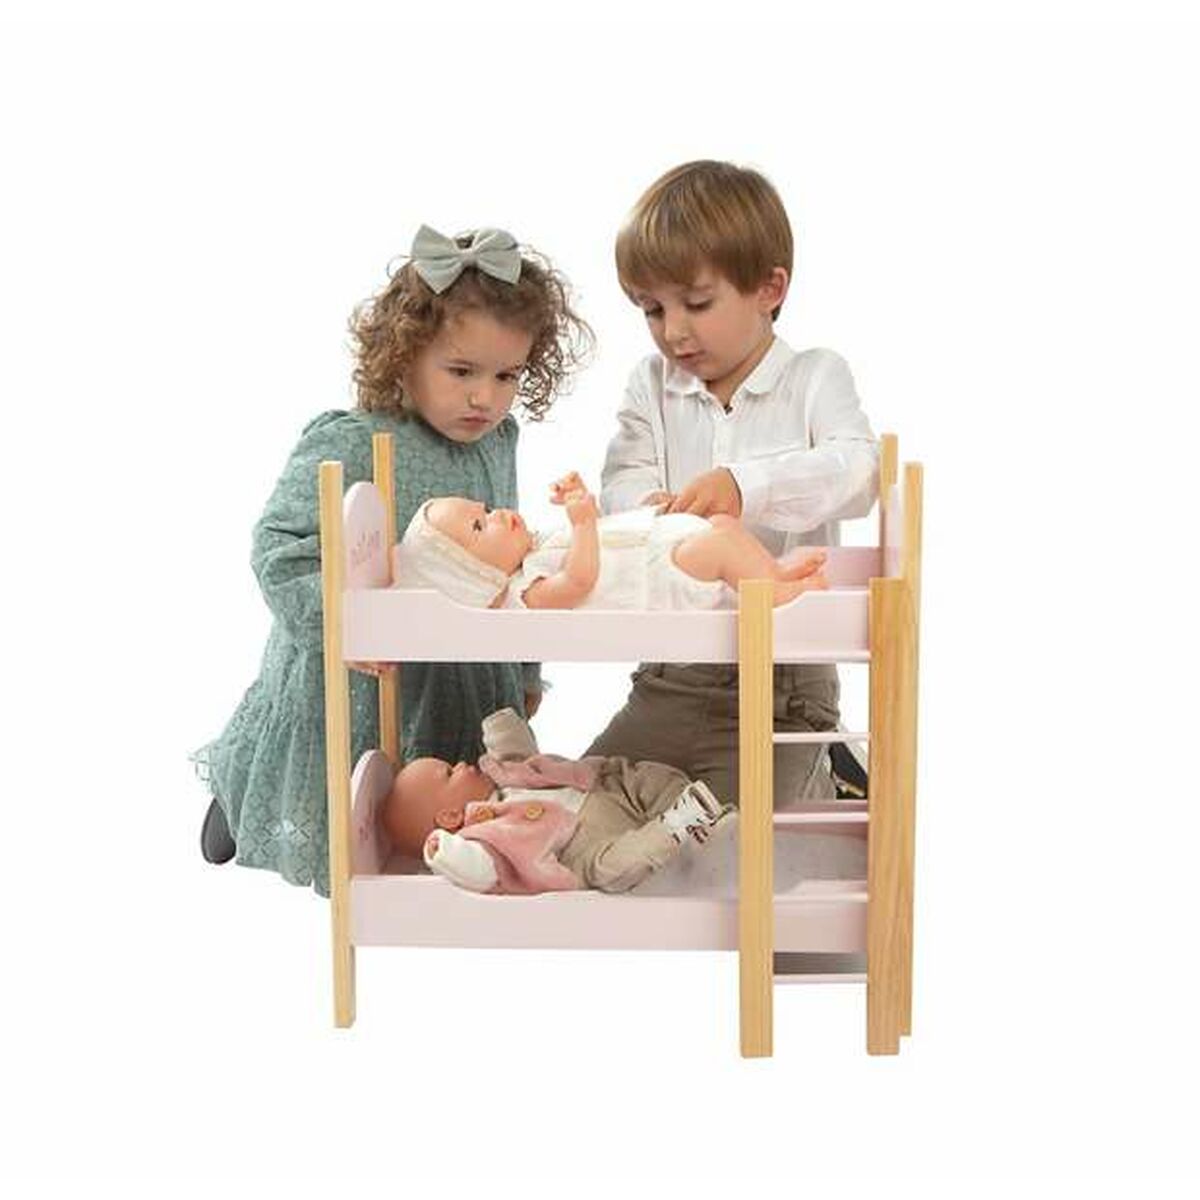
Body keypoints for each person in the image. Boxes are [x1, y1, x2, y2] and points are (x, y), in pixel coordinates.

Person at [193, 226, 591, 894]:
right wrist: (345, 625)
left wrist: (526, 667)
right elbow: (281, 548)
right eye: (461, 371)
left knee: (444, 794)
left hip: (458, 665)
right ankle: (248, 798)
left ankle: (448, 854)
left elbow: (512, 565)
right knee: (346, 776)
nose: (485, 398)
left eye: (506, 376)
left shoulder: (497, 441)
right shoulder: (352, 439)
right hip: (357, 672)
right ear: (405, 356)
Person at [584, 160, 880, 810]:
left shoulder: (815, 377)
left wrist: (747, 487)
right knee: (583, 808)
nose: (673, 331)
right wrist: (651, 513)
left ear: (769, 288)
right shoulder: (651, 386)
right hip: (669, 676)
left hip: (783, 685)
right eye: (652, 309)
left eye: (696, 303)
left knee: (739, 838)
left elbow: (859, 471)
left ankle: (830, 771)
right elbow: (622, 480)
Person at [383, 708, 733, 894]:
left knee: (640, 776)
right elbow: (479, 870)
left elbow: (522, 758)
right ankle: (676, 825)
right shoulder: (485, 838)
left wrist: (500, 724)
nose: (459, 764)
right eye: (449, 773)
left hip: (607, 794)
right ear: (448, 817)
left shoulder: (504, 780)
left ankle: (702, 816)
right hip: (584, 847)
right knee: (610, 870)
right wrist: (444, 852)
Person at [396, 470, 829, 609]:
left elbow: (603, 540)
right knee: (720, 547)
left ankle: (771, 573)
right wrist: (583, 523)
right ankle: (776, 597)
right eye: (480, 526)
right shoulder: (525, 593)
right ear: (474, 575)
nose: (497, 515)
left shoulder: (539, 545)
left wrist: (583, 504)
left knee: (724, 525)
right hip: (660, 577)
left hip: (662, 547)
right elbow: (579, 581)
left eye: (486, 509)